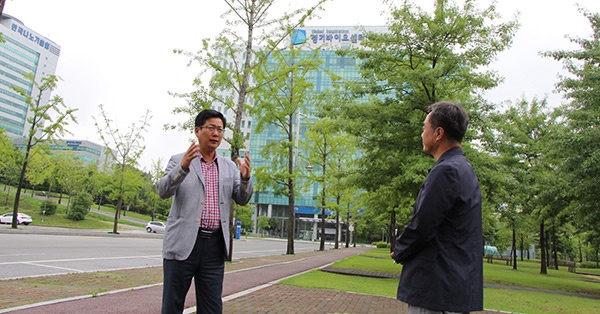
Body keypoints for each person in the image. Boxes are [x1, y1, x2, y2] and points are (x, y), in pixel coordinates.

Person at [390, 101, 483, 314]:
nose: (422, 135)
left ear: (438, 133)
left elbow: (423, 225)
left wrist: (400, 250)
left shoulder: (446, 171)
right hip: (452, 288)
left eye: (424, 128)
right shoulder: (465, 170)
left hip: (436, 289)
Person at [158, 109, 253, 314]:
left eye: (220, 129)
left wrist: (245, 179)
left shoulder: (229, 167)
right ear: (197, 130)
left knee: (211, 307)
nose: (216, 133)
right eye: (211, 128)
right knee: (172, 305)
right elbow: (163, 191)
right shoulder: (178, 160)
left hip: (214, 247)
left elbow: (243, 199)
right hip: (183, 244)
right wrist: (182, 168)